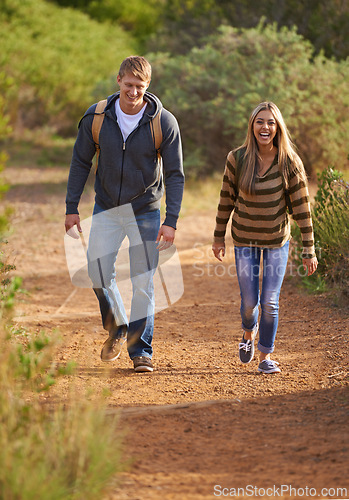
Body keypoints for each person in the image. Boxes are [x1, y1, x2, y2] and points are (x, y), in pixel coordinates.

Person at [65, 56, 184, 372]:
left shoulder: (163, 122)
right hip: (106, 207)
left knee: (143, 281)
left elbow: (175, 174)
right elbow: (80, 163)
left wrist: (171, 220)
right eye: (129, 85)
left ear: (148, 86)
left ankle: (141, 350)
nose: (133, 92)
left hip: (145, 211)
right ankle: (117, 324)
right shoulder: (98, 117)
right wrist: (70, 208)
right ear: (118, 80)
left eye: (140, 87)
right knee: (98, 272)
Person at [212, 101, 318, 374]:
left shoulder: (289, 161)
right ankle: (248, 333)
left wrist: (309, 248)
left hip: (276, 241)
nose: (265, 127)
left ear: (278, 127)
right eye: (260, 122)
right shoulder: (237, 158)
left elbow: (302, 207)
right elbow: (226, 199)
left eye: (271, 122)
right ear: (252, 126)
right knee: (250, 303)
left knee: (270, 302)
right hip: (245, 239)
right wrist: (218, 236)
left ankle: (265, 356)